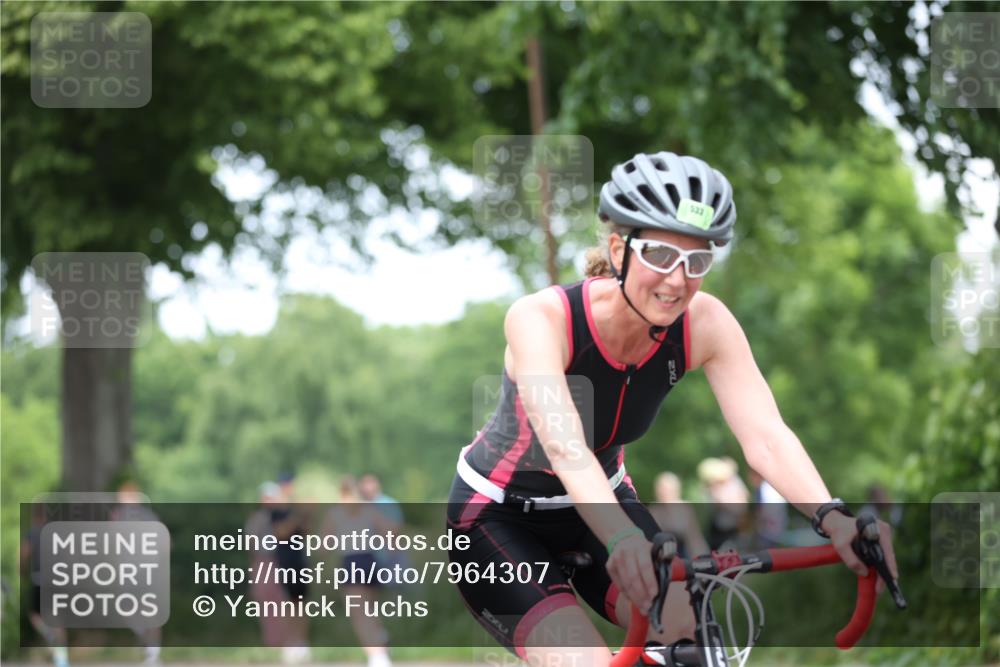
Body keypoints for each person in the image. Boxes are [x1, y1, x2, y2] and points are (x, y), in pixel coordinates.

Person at [445, 151, 899, 664]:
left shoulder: (705, 323)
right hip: (497, 517)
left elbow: (767, 437)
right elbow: (566, 447)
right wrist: (622, 538)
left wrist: (834, 518)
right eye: (660, 255)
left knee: (689, 635)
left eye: (697, 261)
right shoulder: (542, 318)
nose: (678, 280)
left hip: (604, 501)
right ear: (619, 250)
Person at [324, 476, 394, 667]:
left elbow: (324, 546)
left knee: (359, 614)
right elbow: (391, 531)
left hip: (351, 562)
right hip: (370, 560)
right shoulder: (368, 509)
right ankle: (380, 638)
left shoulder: (335, 513)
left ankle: (377, 655)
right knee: (370, 609)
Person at [648, 472, 709, 558]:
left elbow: (694, 538)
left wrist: (702, 558)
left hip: (683, 554)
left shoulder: (684, 509)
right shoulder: (654, 510)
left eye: (667, 490)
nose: (664, 493)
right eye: (662, 489)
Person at [697, 456, 749, 550]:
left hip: (731, 531)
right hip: (717, 529)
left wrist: (721, 502)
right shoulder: (714, 486)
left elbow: (741, 509)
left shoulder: (734, 485)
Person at [749, 468, 789, 548]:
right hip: (772, 528)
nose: (750, 478)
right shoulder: (769, 487)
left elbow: (768, 511)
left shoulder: (766, 489)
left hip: (769, 529)